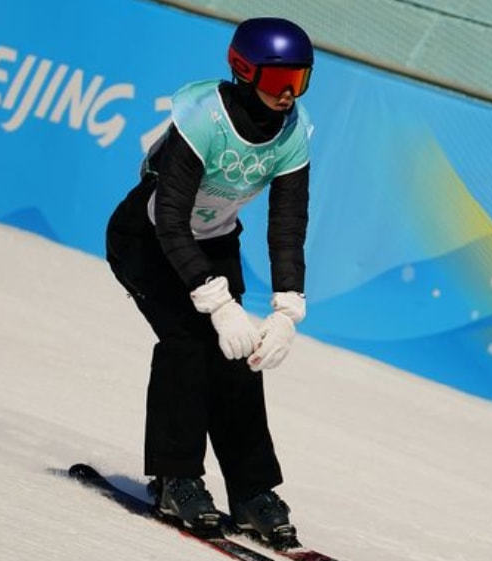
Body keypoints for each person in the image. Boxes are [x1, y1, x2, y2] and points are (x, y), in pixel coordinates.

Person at [104, 17, 314, 546]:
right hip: (147, 238)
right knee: (188, 343)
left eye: (299, 80)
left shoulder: (292, 134)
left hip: (214, 242)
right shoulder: (203, 118)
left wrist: (287, 310)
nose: (288, 95)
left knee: (241, 355)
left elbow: (287, 227)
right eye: (276, 81)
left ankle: (252, 493)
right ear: (244, 72)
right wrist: (216, 303)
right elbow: (169, 219)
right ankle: (176, 477)